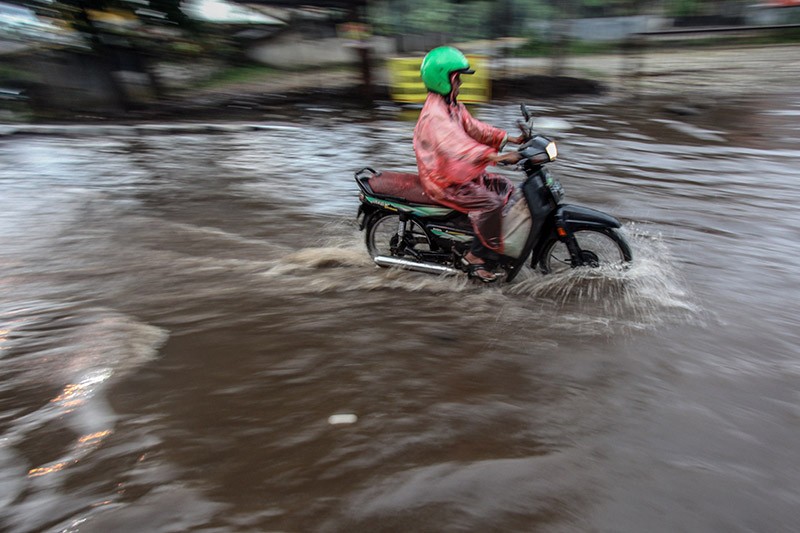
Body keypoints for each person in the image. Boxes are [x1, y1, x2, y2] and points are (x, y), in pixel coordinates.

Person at [414, 46, 525, 282]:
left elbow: (474, 128)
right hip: (443, 181)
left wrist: (509, 138)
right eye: (458, 78)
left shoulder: (452, 106)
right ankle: (474, 256)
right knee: (491, 202)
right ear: (445, 79)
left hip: (456, 172)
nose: (461, 83)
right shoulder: (435, 115)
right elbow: (457, 145)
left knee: (505, 188)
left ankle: (486, 240)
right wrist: (496, 157)